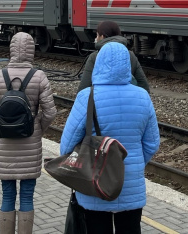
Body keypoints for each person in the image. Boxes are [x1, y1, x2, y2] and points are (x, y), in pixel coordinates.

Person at [60, 42, 160, 234]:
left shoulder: (86, 96)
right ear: (127, 65)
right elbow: (152, 144)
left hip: (94, 187)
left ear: (99, 64)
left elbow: (65, 147)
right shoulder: (142, 96)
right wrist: (132, 164)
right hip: (130, 187)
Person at [0, 32, 57, 234]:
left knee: (7, 195)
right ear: (31, 51)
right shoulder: (39, 77)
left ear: (12, 50)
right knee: (27, 195)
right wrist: (36, 128)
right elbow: (50, 112)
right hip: (30, 145)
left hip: (5, 146)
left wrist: (0, 128)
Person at [78, 20, 149, 93]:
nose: (96, 38)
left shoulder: (95, 57)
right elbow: (143, 86)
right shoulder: (130, 55)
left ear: (102, 37)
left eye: (97, 35)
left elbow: (83, 89)